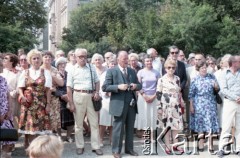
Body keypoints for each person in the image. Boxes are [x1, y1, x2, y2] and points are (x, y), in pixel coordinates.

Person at [102, 50, 142, 158]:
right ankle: (116, 151)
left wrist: (135, 86)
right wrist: (118, 87)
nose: (126, 61)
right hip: (119, 104)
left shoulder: (132, 71)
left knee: (130, 128)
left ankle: (129, 149)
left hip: (131, 104)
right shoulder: (112, 71)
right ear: (118, 59)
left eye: (127, 58)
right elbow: (105, 87)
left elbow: (140, 85)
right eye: (124, 59)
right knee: (118, 129)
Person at [67, 48, 103, 156]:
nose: (83, 59)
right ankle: (80, 146)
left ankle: (96, 146)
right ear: (76, 57)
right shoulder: (72, 69)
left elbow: (97, 81)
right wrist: (71, 103)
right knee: (78, 124)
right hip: (78, 95)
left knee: (94, 123)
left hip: (91, 96)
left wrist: (97, 92)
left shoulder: (92, 68)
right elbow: (69, 88)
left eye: (84, 56)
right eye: (80, 57)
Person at [18, 49, 52, 148]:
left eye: (38, 58)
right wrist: (22, 96)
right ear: (30, 60)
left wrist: (48, 104)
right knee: (30, 127)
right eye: (34, 58)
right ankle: (31, 149)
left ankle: (37, 149)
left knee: (39, 128)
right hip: (28, 103)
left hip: (41, 103)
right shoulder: (25, 72)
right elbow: (20, 87)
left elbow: (48, 90)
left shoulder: (45, 72)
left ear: (40, 60)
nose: (36, 60)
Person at [189, 60, 220, 152]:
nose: (204, 69)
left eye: (205, 67)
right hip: (199, 104)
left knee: (210, 125)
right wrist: (191, 106)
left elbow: (217, 89)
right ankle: (201, 144)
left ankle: (210, 145)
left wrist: (216, 87)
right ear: (198, 69)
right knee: (200, 125)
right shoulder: (195, 79)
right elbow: (191, 94)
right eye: (202, 68)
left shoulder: (212, 76)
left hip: (210, 103)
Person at [156, 59, 184, 154]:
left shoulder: (177, 79)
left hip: (175, 106)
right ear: (165, 68)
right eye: (169, 67)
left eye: (173, 67)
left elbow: (179, 92)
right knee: (167, 127)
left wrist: (181, 101)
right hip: (165, 107)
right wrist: (159, 107)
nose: (171, 69)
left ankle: (175, 145)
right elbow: (158, 94)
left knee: (176, 127)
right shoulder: (161, 79)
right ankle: (167, 146)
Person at [217, 55, 240, 157]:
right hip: (230, 102)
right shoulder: (224, 74)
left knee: (239, 126)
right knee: (226, 126)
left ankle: (238, 148)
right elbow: (223, 90)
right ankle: (221, 148)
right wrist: (236, 97)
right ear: (234, 63)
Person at [135, 55, 160, 136]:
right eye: (147, 61)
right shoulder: (140, 72)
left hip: (154, 97)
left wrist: (154, 96)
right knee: (144, 115)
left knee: (152, 115)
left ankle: (152, 135)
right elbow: (138, 85)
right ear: (144, 62)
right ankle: (145, 135)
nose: (149, 62)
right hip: (143, 97)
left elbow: (159, 86)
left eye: (150, 60)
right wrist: (144, 95)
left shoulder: (156, 72)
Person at [41, 51, 64, 137]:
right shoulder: (39, 69)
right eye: (45, 57)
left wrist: (51, 75)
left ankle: (53, 137)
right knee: (43, 118)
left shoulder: (54, 70)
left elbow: (61, 83)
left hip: (53, 97)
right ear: (42, 58)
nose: (48, 58)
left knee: (54, 118)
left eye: (49, 57)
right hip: (42, 97)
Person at [55, 57, 75, 142]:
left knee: (70, 118)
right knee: (58, 119)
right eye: (60, 64)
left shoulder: (69, 74)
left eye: (64, 64)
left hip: (69, 98)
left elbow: (73, 85)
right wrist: (61, 95)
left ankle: (68, 136)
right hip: (58, 99)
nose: (62, 65)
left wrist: (69, 94)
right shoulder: (55, 74)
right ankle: (59, 136)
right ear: (58, 65)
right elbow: (52, 88)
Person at [99, 57, 117, 147]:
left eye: (114, 63)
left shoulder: (118, 73)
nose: (113, 65)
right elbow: (101, 87)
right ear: (108, 64)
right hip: (105, 100)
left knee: (113, 122)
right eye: (111, 63)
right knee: (103, 122)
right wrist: (107, 93)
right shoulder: (104, 74)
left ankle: (111, 139)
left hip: (115, 100)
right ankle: (100, 139)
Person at [0, 54, 15, 158]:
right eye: (1, 65)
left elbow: (8, 95)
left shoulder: (3, 80)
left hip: (5, 116)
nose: (2, 66)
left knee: (8, 140)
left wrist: (9, 111)